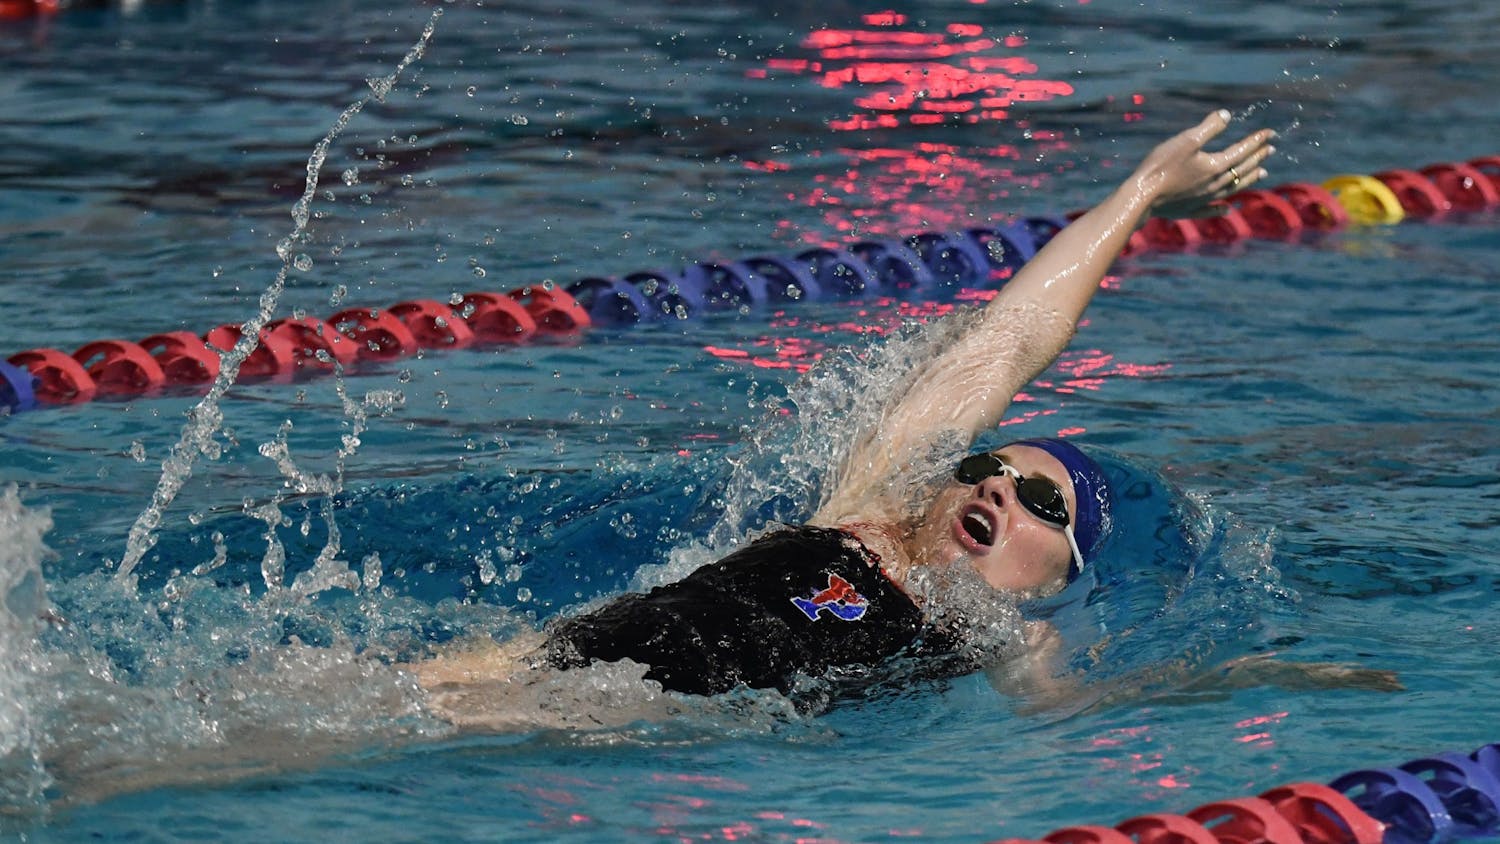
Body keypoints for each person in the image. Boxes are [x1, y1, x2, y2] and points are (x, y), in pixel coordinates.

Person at [412, 110, 1279, 711]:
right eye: (989, 468)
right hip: (517, 674)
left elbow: (1090, 717)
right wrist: (1139, 193)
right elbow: (1008, 340)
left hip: (607, 729)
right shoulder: (865, 510)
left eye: (1042, 505)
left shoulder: (1006, 644)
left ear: (1059, 578)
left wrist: (1278, 681)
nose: (999, 493)